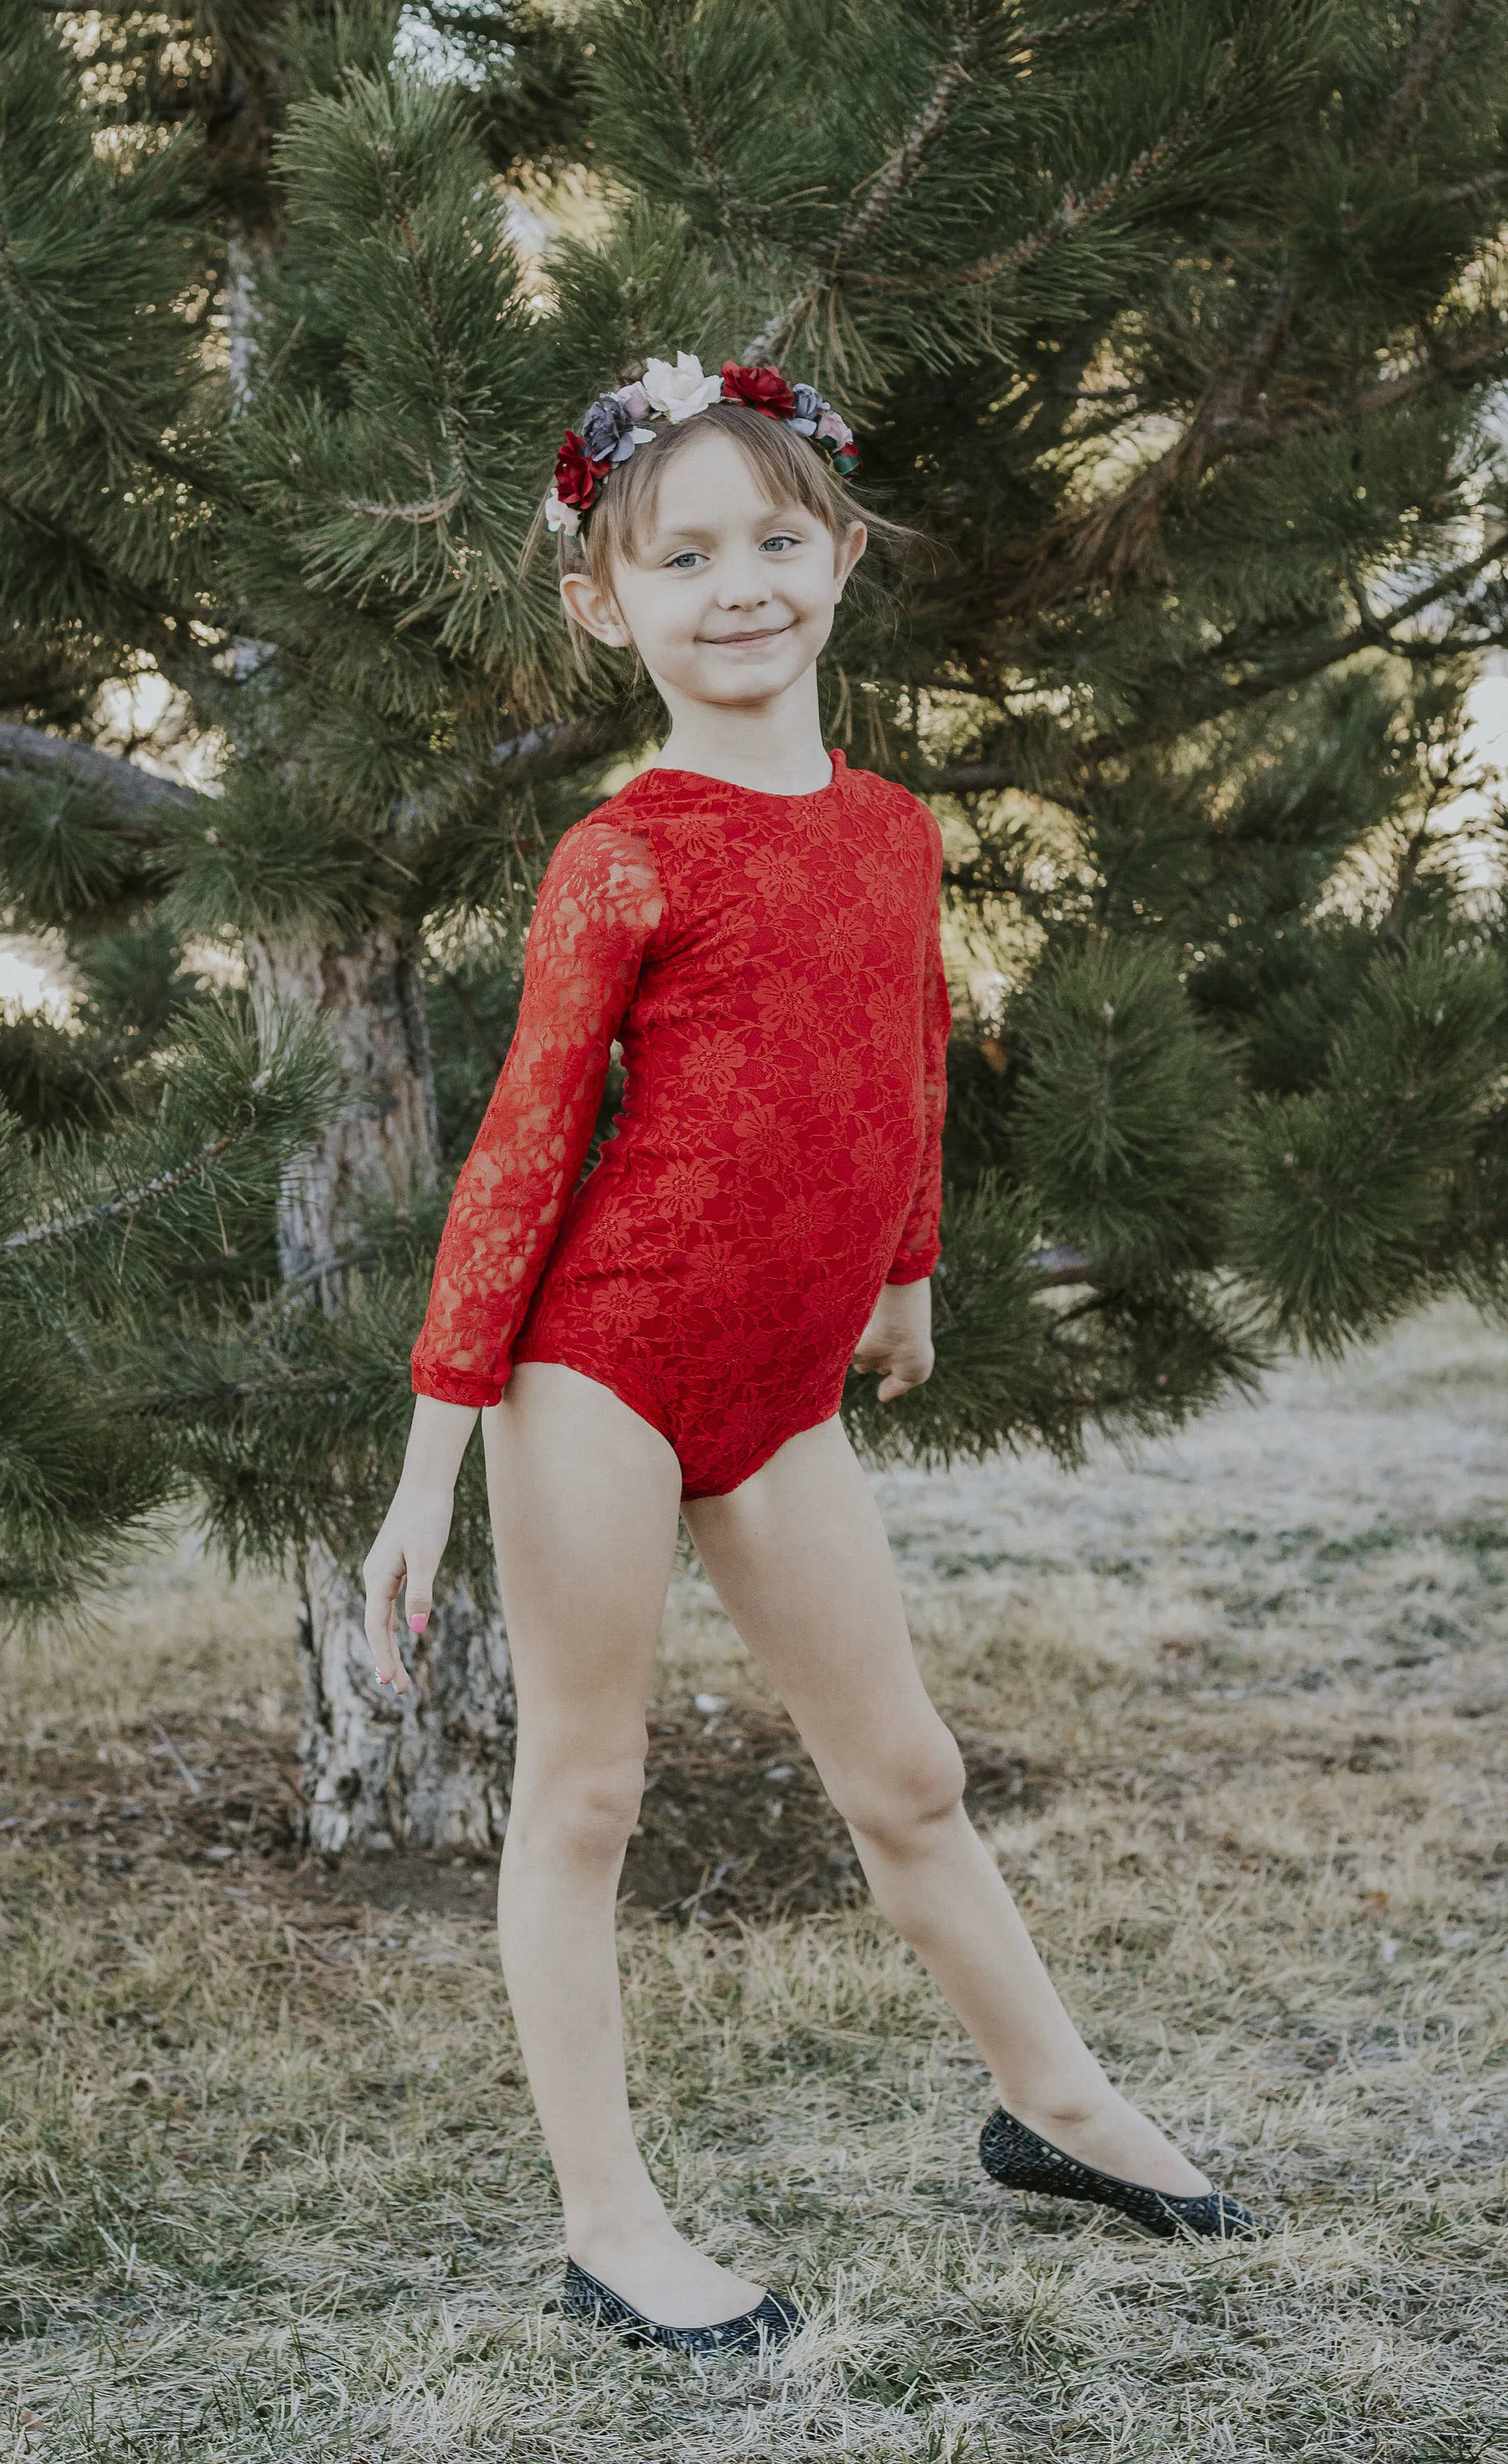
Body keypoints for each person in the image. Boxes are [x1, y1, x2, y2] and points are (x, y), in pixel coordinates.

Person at [361, 351, 1267, 2358]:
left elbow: (907, 1060)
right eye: (683, 557)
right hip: (595, 1369)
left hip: (780, 1391)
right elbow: (524, 1132)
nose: (739, 583)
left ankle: (1057, 2108)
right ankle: (610, 2225)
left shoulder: (890, 831)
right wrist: (434, 1451)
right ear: (609, 603)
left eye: (776, 538)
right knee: (586, 1791)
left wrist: (911, 1272)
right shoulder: (628, 851)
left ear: (841, 553)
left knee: (910, 1773)